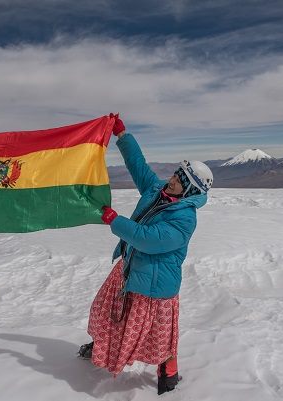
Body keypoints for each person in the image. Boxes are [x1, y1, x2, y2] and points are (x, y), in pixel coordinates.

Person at [78, 114, 213, 395]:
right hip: (129, 269)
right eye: (177, 173)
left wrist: (114, 220)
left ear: (189, 189)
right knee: (105, 312)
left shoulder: (184, 218)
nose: (173, 178)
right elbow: (138, 166)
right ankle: (101, 345)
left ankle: (168, 371)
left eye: (180, 178)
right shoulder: (157, 190)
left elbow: (148, 240)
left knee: (157, 336)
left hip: (153, 284)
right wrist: (122, 135)